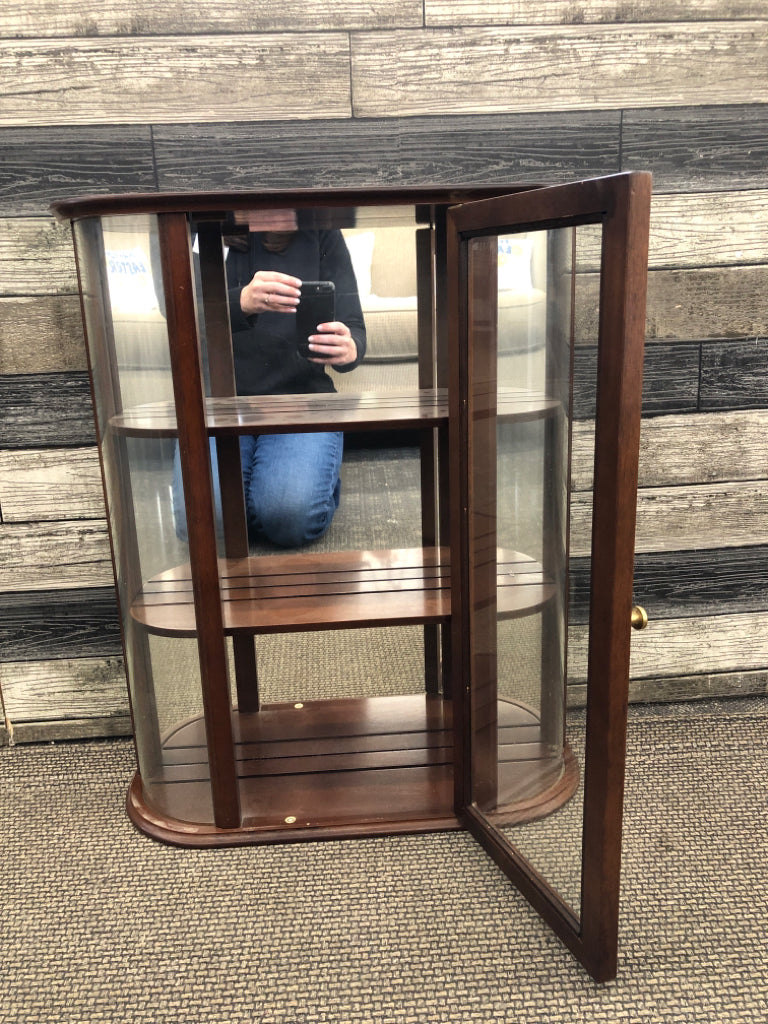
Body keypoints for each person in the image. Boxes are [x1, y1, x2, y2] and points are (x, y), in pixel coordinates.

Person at [172, 212, 366, 548]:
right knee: (204, 523)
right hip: (219, 399)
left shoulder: (322, 232)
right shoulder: (199, 230)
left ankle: (304, 478)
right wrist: (241, 301)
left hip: (301, 399)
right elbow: (174, 313)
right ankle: (290, 481)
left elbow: (354, 327)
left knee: (289, 518)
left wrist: (350, 349)